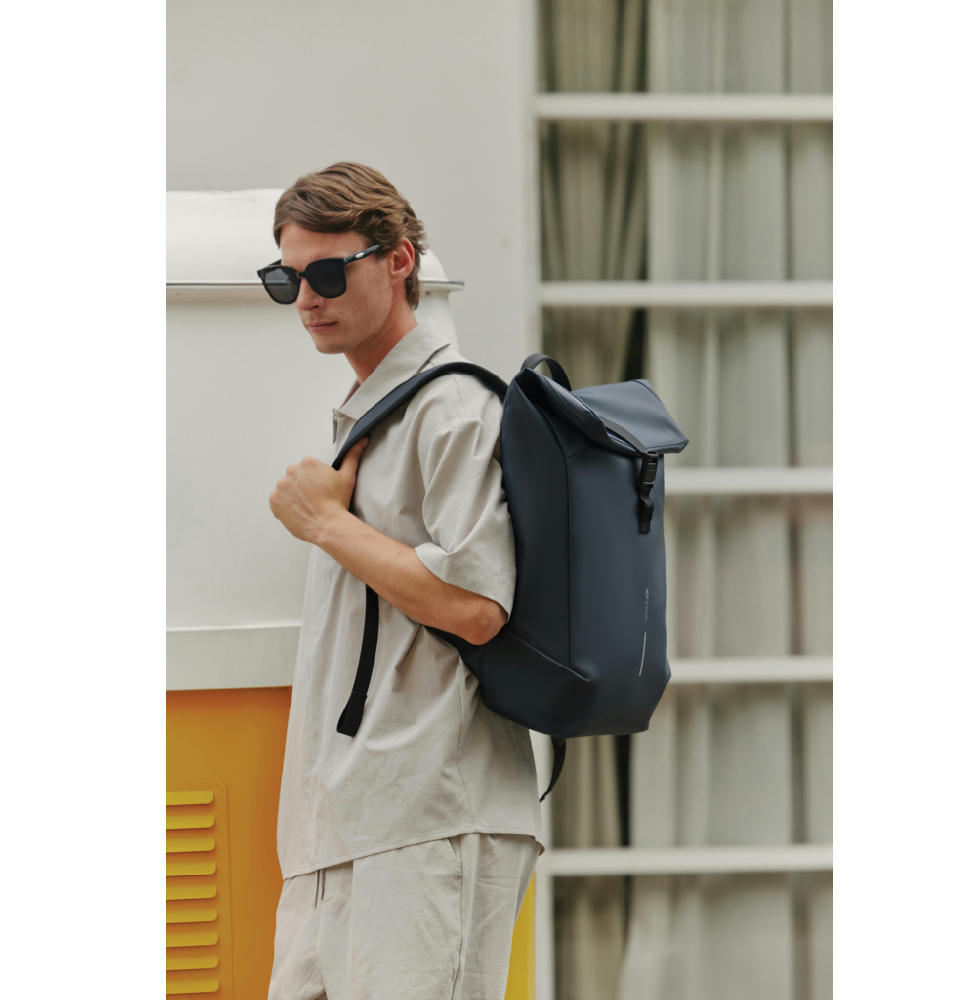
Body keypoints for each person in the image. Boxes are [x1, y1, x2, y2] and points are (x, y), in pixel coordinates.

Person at [261, 162, 544, 1000]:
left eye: (326, 273)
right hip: (339, 830)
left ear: (398, 261)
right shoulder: (372, 417)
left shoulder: (452, 409)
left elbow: (478, 605)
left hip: (429, 819)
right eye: (287, 278)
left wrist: (328, 524)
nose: (306, 298)